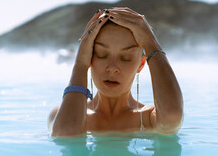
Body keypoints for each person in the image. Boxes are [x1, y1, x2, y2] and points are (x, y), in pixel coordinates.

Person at [48, 7, 183, 137]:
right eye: (101, 54)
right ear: (89, 57)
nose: (112, 68)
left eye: (126, 57)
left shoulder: (149, 118)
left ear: (141, 64)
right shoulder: (62, 114)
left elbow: (172, 117)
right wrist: (80, 65)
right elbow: (65, 134)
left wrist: (151, 44)